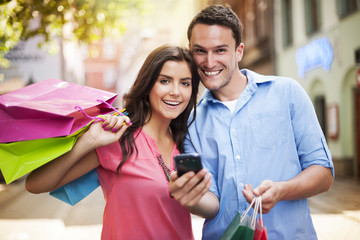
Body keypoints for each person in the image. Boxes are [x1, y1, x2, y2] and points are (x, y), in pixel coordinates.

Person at [169, 4, 335, 240]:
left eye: (220, 50)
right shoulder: (191, 122)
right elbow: (213, 204)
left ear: (239, 51)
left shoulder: (287, 93)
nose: (209, 61)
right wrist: (191, 199)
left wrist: (281, 190)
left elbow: (324, 174)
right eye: (200, 51)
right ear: (190, 52)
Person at [25, 45, 204, 239]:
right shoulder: (118, 137)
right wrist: (90, 140)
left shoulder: (188, 143)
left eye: (185, 83)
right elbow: (35, 185)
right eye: (165, 81)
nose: (176, 91)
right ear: (148, 85)